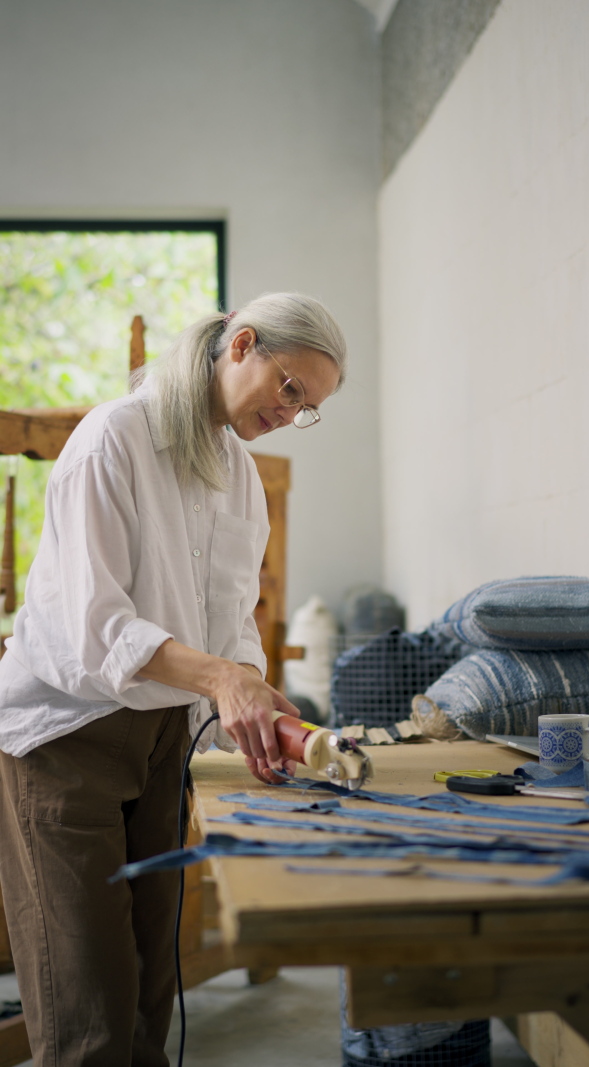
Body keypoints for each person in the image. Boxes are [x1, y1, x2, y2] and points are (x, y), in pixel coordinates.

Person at [0, 291, 346, 1067]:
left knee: (152, 987)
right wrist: (224, 678)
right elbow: (98, 627)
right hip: (64, 737)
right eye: (290, 388)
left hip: (162, 738)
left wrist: (261, 707)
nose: (292, 413)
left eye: (308, 407)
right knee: (88, 1006)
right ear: (242, 344)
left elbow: (229, 621)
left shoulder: (238, 474)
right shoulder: (112, 441)